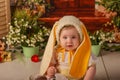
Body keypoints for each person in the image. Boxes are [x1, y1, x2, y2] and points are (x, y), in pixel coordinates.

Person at [39, 15, 96, 80]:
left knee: (92, 67)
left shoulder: (84, 51)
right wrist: (50, 70)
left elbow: (91, 67)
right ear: (59, 39)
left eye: (73, 37)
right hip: (60, 77)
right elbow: (50, 64)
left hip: (78, 78)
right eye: (65, 37)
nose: (69, 41)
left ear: (80, 38)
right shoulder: (56, 51)